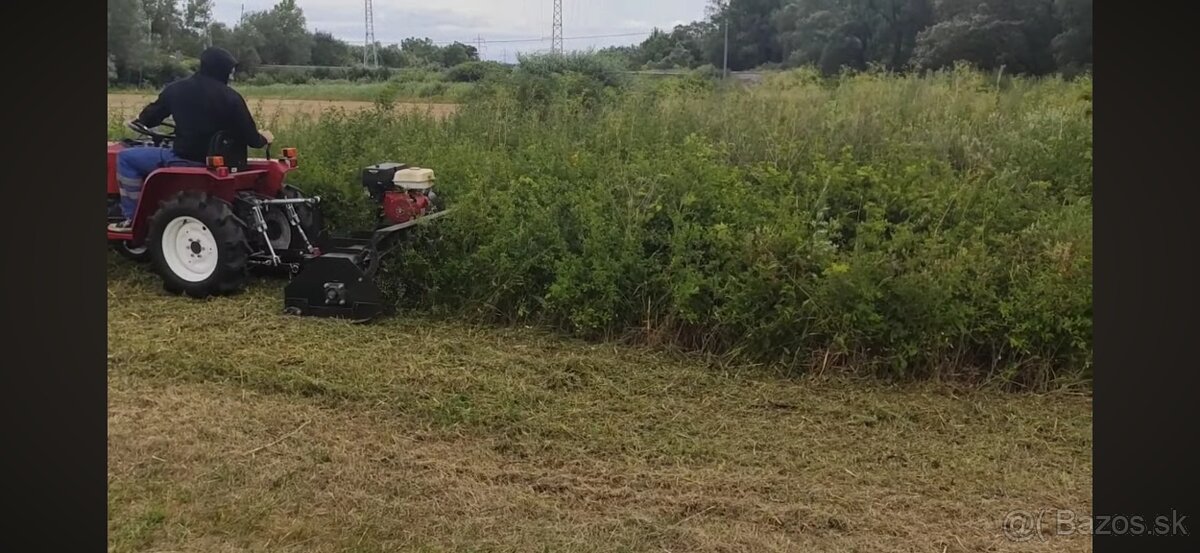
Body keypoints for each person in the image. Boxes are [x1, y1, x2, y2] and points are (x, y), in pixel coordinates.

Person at [109, 47, 274, 232]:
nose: (231, 75)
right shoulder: (232, 98)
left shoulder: (176, 90)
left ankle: (131, 219)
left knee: (126, 158)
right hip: (223, 161)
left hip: (184, 157)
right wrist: (264, 138)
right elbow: (252, 139)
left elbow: (149, 119)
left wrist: (140, 120)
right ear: (224, 71)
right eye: (231, 71)